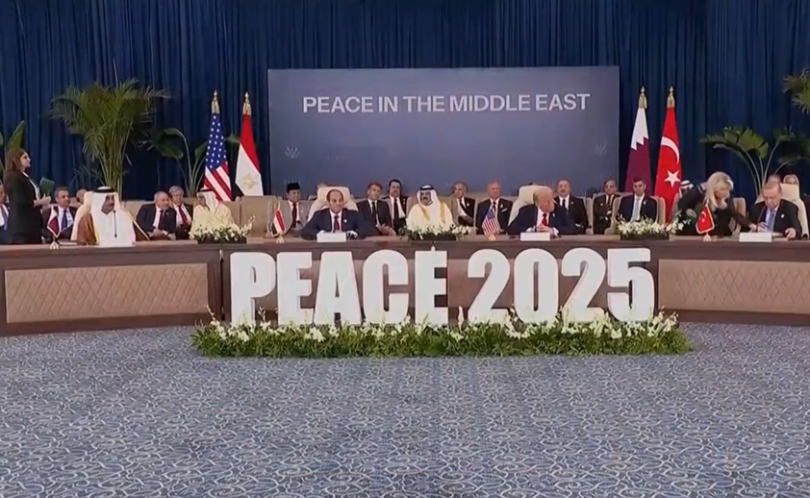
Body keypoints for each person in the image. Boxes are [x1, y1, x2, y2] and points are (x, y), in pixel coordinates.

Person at [678, 171, 755, 240]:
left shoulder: (727, 198)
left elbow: (735, 215)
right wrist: (688, 211)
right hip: (699, 234)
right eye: (723, 189)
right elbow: (682, 204)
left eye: (727, 189)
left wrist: (750, 224)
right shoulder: (700, 194)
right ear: (714, 188)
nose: (726, 192)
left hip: (721, 235)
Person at [3, 149, 50, 244]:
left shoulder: (25, 177)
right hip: (21, 226)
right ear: (16, 159)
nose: (29, 159)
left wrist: (41, 204)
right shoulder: (13, 177)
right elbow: (21, 202)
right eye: (25, 157)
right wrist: (42, 201)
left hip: (32, 225)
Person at [300, 189, 369, 240]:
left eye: (340, 200)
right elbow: (306, 231)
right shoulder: (319, 215)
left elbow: (367, 229)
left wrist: (355, 233)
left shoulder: (353, 214)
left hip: (347, 247)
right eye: (334, 201)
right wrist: (320, 234)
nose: (338, 203)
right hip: (326, 247)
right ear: (328, 203)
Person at [507, 185, 571, 237]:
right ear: (538, 203)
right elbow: (511, 229)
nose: (551, 203)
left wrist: (552, 230)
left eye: (551, 200)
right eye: (547, 201)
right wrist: (532, 230)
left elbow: (572, 228)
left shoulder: (560, 211)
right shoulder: (526, 211)